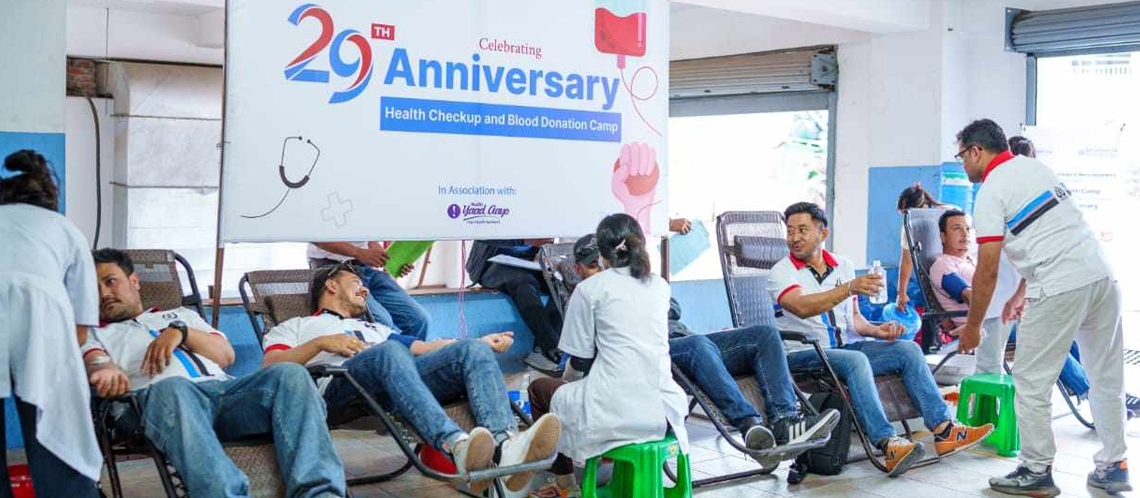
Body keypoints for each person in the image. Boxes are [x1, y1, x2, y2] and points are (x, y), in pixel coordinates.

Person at [261, 263, 560, 493]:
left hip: (396, 385)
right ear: (331, 285)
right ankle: (455, 444)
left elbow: (426, 348)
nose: (365, 290)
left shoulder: (376, 329)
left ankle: (505, 445)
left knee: (471, 350)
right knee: (390, 351)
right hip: (340, 391)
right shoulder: (296, 326)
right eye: (356, 283)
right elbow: (271, 366)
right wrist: (321, 344)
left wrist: (482, 342)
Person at [953, 119, 1130, 496]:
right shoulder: (1035, 169)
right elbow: (1048, 234)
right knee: (1106, 377)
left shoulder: (990, 190)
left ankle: (1036, 469)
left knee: (1031, 381)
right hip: (1101, 277)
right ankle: (1114, 464)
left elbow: (986, 269)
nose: (962, 164)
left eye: (962, 156)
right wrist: (1020, 292)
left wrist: (973, 327)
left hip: (1059, 287)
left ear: (976, 152)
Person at [86, 249, 347, 498]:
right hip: (155, 404)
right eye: (94, 288)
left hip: (225, 395)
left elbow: (225, 356)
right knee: (172, 387)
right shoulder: (92, 333)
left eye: (110, 281)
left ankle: (321, 493)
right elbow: (94, 361)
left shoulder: (179, 315)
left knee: (290, 375)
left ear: (134, 281)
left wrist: (181, 332)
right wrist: (104, 370)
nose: (104, 293)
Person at [770, 202, 994, 478]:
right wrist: (848, 289)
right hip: (803, 354)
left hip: (845, 348)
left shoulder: (843, 266)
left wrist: (879, 331)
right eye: (790, 231)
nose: (794, 237)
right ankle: (888, 443)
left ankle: (945, 431)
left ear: (823, 233)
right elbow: (802, 307)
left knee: (908, 350)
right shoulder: (782, 271)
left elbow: (855, 320)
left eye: (803, 230)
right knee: (855, 360)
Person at [571, 233, 839, 458]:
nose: (601, 271)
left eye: (603, 264)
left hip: (690, 344)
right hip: (656, 355)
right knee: (697, 345)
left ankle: (785, 422)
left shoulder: (640, 283)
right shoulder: (585, 298)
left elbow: (673, 310)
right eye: (592, 266)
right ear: (578, 270)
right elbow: (584, 356)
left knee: (765, 335)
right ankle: (749, 425)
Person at [527, 214, 690, 497]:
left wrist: (568, 382)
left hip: (618, 414)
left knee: (540, 390)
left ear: (602, 255)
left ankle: (566, 485)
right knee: (580, 395)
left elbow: (579, 360)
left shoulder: (589, 290)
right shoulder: (659, 286)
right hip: (665, 412)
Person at [0, 150, 102, 497]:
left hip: (34, 306)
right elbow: (81, 328)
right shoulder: (66, 229)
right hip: (43, 312)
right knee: (57, 429)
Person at [931, 209, 1095, 402]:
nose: (965, 234)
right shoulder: (944, 266)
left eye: (967, 229)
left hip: (1003, 316)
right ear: (943, 236)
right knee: (1044, 336)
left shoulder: (973, 260)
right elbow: (973, 297)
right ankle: (1089, 392)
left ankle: (1089, 384)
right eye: (957, 229)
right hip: (984, 324)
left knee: (1062, 331)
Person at [466, 238, 564, 374]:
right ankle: (551, 347)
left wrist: (544, 250)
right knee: (524, 282)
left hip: (528, 262)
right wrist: (524, 241)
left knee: (561, 284)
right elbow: (484, 236)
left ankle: (541, 351)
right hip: (491, 264)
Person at [307, 241, 430, 340]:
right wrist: (358, 252)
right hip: (332, 269)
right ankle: (382, 360)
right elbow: (317, 238)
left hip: (365, 268)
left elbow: (367, 238)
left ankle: (405, 359)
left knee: (419, 320)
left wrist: (391, 259)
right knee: (381, 322)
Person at [895, 183, 949, 313]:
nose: (906, 217)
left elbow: (906, 261)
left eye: (906, 213)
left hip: (946, 276)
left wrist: (901, 293)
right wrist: (901, 292)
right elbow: (906, 261)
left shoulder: (911, 225)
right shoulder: (949, 210)